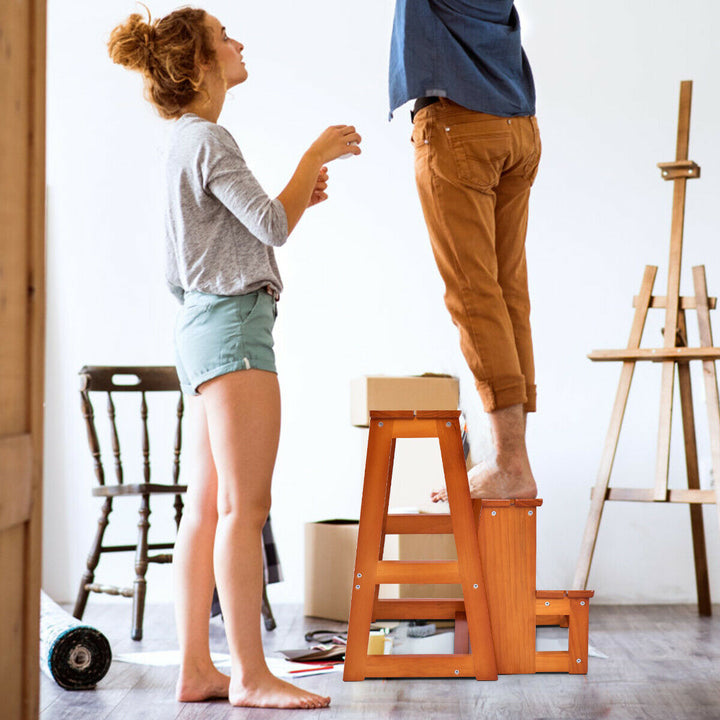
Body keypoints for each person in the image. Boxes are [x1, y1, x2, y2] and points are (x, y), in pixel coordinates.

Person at [108, 6, 361, 709]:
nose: (239, 43)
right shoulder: (212, 139)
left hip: (198, 324)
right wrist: (315, 155)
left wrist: (295, 195)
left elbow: (251, 226)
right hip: (233, 326)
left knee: (208, 506)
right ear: (199, 65)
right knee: (246, 509)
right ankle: (250, 675)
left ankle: (198, 669)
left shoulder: (180, 142)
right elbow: (273, 226)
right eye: (225, 38)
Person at [389, 0, 541, 501]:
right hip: (518, 124)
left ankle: (509, 464)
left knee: (474, 294)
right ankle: (512, 456)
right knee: (506, 291)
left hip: (459, 126)